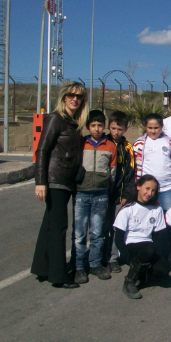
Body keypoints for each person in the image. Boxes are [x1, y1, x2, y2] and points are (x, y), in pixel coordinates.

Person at [32, 82, 89, 289]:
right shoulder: (55, 118)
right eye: (71, 95)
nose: (75, 99)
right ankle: (58, 275)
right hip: (56, 180)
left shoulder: (72, 122)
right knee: (58, 227)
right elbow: (42, 151)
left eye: (79, 96)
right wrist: (41, 182)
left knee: (49, 224)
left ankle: (42, 268)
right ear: (64, 97)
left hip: (66, 180)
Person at [72, 109, 117, 284]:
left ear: (104, 126)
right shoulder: (81, 144)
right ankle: (79, 267)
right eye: (93, 125)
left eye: (100, 125)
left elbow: (112, 173)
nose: (97, 129)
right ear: (87, 126)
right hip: (81, 194)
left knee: (98, 233)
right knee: (79, 233)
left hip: (101, 195)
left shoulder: (110, 146)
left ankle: (96, 263)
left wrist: (108, 189)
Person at [103, 110, 135, 273]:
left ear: (125, 129)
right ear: (109, 126)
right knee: (101, 227)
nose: (116, 132)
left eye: (120, 129)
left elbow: (130, 174)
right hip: (101, 195)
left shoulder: (127, 148)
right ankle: (100, 257)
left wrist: (126, 196)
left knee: (116, 229)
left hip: (119, 197)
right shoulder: (102, 143)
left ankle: (113, 258)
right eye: (114, 128)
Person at [133, 113, 171, 213]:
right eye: (150, 128)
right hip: (147, 190)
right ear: (145, 127)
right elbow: (135, 167)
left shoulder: (170, 143)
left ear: (161, 127)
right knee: (146, 216)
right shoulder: (139, 144)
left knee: (169, 217)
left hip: (167, 189)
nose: (153, 131)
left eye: (156, 128)